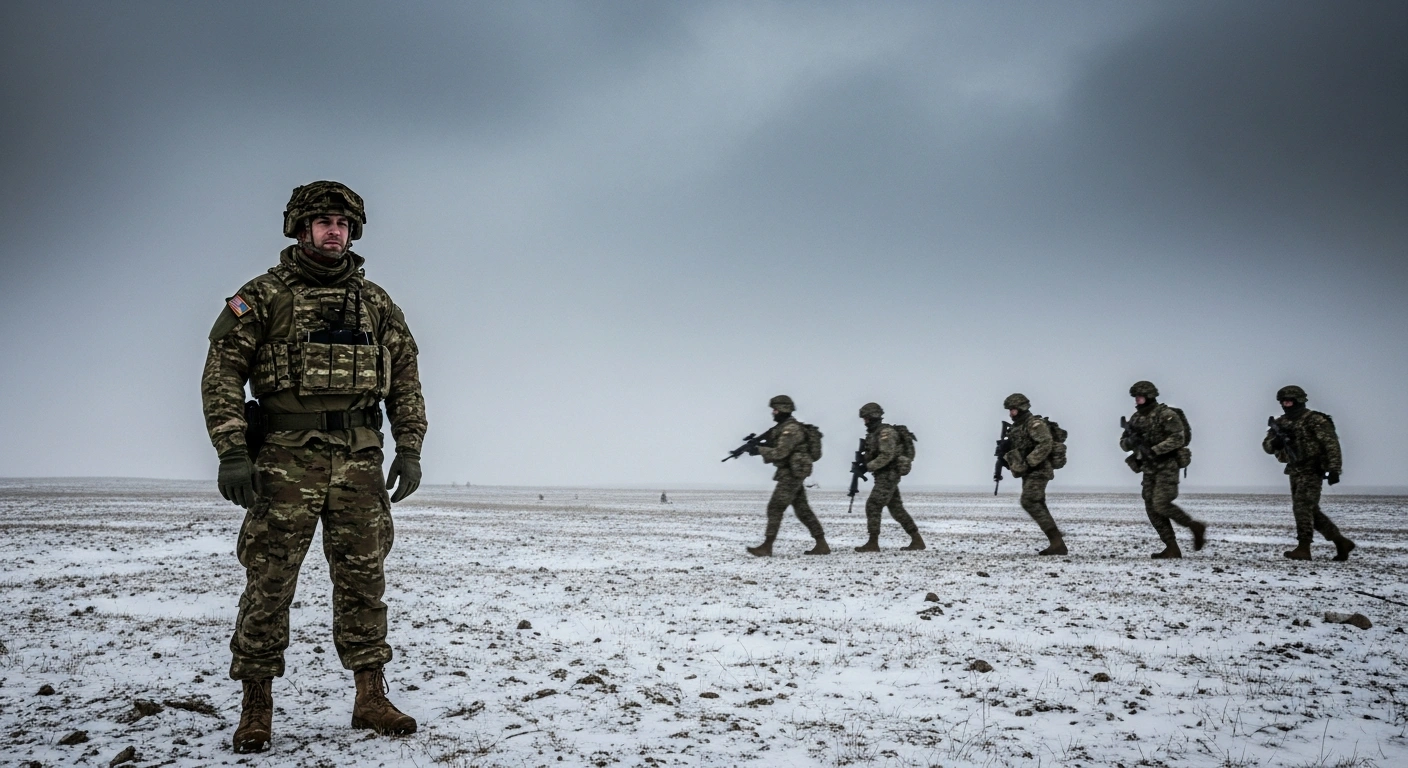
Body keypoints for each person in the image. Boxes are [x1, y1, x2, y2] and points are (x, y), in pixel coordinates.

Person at [202, 181, 425, 752]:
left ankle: (370, 696)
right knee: (270, 581)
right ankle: (256, 706)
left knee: (363, 581)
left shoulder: (377, 303)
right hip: (283, 462)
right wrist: (231, 450)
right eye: (323, 221)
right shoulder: (262, 297)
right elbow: (222, 374)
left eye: (343, 224)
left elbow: (405, 379)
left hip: (358, 461)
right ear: (300, 229)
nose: (334, 231)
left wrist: (410, 447)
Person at [1263, 385, 1354, 561]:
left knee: (1302, 506)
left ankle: (1304, 547)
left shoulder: (1315, 420)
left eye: (1290, 400)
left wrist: (1334, 469)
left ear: (1299, 400)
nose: (1286, 404)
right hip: (1295, 469)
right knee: (1311, 510)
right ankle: (1341, 542)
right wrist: (1276, 443)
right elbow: (1266, 446)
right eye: (1283, 401)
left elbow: (1331, 445)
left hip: (1313, 468)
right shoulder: (1280, 423)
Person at [1120, 381, 1206, 558]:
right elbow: (1123, 443)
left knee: (1160, 503)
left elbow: (1178, 438)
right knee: (1151, 507)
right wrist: (1131, 442)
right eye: (1135, 397)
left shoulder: (1166, 415)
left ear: (1150, 396)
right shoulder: (1136, 418)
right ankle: (1171, 547)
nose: (1137, 400)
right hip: (1148, 468)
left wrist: (1154, 450)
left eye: (1140, 396)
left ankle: (1194, 526)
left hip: (1167, 466)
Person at [748, 395, 830, 556]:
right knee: (803, 510)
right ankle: (822, 544)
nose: (773, 413)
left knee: (775, 507)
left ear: (784, 409)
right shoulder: (784, 428)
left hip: (792, 473)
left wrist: (759, 450)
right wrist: (758, 446)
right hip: (792, 471)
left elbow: (780, 452)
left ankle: (767, 546)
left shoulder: (790, 429)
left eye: (775, 409)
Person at [1000, 394, 1066, 555]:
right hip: (1029, 472)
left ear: (1021, 408)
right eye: (1010, 410)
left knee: (1029, 501)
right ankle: (1057, 544)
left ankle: (1057, 542)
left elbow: (1046, 443)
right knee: (1037, 503)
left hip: (1039, 470)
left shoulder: (1034, 424)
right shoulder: (1018, 427)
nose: (1010, 413)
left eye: (1013, 410)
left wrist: (1029, 462)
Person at [853, 402, 924, 552]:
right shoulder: (875, 433)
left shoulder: (885, 433)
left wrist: (868, 466)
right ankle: (917, 540)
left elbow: (887, 455)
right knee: (896, 509)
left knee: (873, 505)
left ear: (873, 417)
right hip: (884, 475)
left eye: (866, 418)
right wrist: (863, 465)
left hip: (889, 474)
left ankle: (873, 542)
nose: (864, 421)